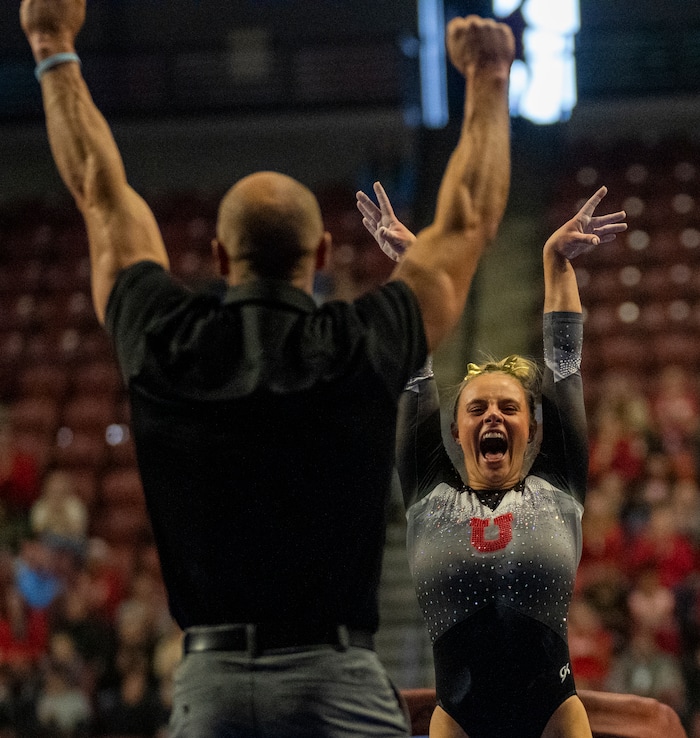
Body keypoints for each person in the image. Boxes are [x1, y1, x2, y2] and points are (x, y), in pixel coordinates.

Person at [19, 1, 514, 735]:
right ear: (319, 261)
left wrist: (52, 45)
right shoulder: (362, 339)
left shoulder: (163, 335)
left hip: (211, 682)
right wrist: (487, 78)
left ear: (218, 260)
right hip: (336, 680)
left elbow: (98, 189)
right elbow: (469, 219)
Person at [358, 184, 627, 737]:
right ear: (455, 430)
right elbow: (413, 374)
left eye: (509, 407)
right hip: (458, 721)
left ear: (532, 427)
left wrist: (556, 263)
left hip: (555, 717)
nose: (493, 417)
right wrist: (416, 273)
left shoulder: (559, 483)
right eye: (476, 408)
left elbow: (564, 367)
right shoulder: (428, 494)